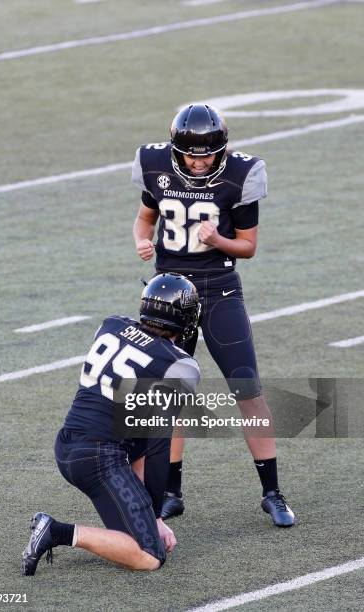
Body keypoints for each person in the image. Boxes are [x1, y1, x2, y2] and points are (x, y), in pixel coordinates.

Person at [132, 103, 295, 527]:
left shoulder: (240, 174)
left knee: (246, 386)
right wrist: (141, 242)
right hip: (167, 294)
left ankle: (272, 492)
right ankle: (171, 491)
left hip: (218, 289)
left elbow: (248, 246)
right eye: (191, 154)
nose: (199, 161)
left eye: (206, 154)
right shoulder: (155, 165)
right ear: (176, 150)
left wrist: (218, 239)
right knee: (167, 395)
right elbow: (144, 217)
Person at [21, 272, 201, 575]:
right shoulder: (178, 365)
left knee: (131, 534)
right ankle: (56, 531)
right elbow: (159, 447)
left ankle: (132, 518)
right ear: (185, 319)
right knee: (149, 554)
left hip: (68, 445)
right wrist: (156, 517)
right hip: (99, 459)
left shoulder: (111, 324)